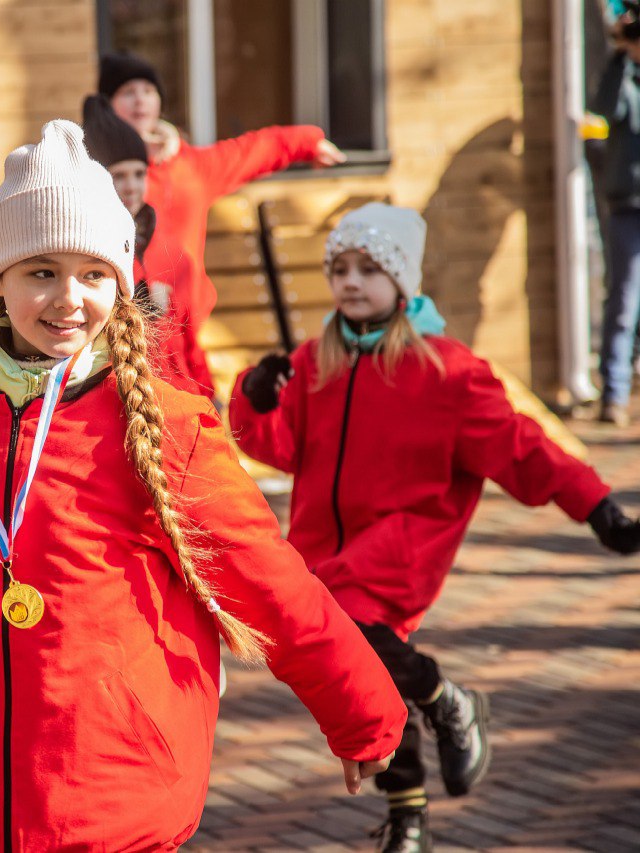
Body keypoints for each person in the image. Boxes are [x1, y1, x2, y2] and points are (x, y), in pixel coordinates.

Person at [0, 120, 406, 851]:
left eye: (94, 274)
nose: (69, 298)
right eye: (42, 271)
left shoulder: (164, 424)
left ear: (121, 281)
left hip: (117, 789)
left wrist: (361, 711)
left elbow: (270, 580)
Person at [229, 202, 640, 853]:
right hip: (322, 550)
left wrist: (597, 508)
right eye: (340, 268)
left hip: (402, 543)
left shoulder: (445, 369)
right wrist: (253, 398)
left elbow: (522, 445)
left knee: (361, 636)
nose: (351, 281)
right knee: (361, 675)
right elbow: (278, 447)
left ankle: (446, 697)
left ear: (403, 281)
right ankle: (410, 817)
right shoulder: (315, 362)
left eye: (369, 268)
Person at [99, 51, 346, 348]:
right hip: (120, 322)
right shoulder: (96, 170)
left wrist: (306, 141)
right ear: (109, 104)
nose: (140, 100)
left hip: (185, 326)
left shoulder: (191, 165)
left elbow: (249, 151)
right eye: (127, 93)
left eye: (148, 91)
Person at [82, 92, 213, 395]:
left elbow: (190, 341)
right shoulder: (86, 253)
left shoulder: (172, 251)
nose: (131, 187)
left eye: (139, 174)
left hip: (175, 393)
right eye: (119, 176)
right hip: (117, 396)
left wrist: (207, 399)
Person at [590, 4, 640, 425]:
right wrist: (621, 53)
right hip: (628, 203)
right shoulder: (621, 72)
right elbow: (603, 111)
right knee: (623, 297)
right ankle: (615, 392)